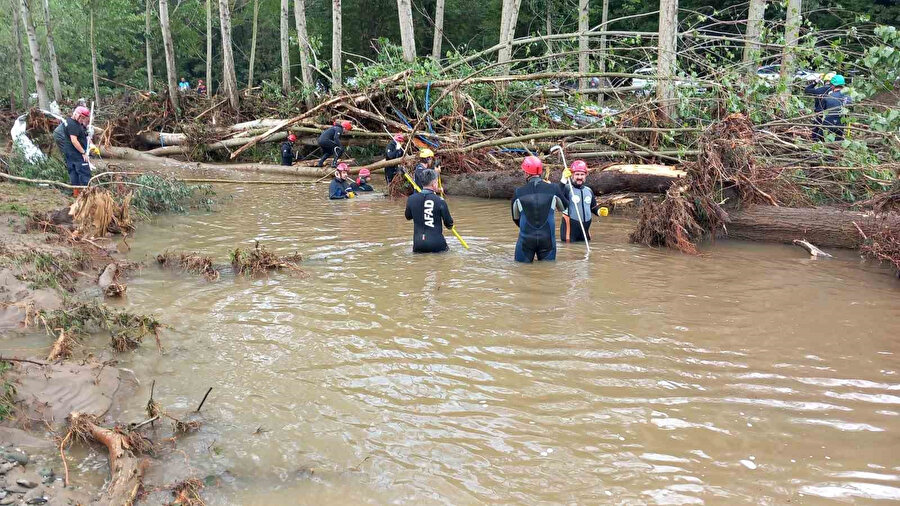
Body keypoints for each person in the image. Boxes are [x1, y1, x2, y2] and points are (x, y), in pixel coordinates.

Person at [511, 155, 568, 263]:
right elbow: (564, 207)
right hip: (547, 240)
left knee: (521, 273)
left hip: (526, 239)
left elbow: (515, 218)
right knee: (548, 274)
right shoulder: (554, 188)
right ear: (541, 171)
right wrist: (563, 182)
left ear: (526, 173)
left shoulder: (518, 192)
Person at [405, 169, 453, 253]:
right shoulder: (440, 201)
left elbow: (408, 217)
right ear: (434, 183)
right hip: (437, 244)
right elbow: (449, 224)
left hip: (418, 244)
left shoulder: (411, 199)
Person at [53, 106, 91, 196]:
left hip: (69, 152)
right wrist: (83, 152)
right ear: (76, 114)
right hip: (76, 153)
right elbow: (74, 140)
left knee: (73, 172)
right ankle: (86, 194)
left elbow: (79, 133)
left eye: (84, 118)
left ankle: (76, 194)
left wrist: (86, 133)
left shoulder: (70, 122)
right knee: (84, 172)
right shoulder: (73, 124)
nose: (82, 120)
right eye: (82, 117)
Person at [559, 160, 601, 242]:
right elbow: (557, 195)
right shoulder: (567, 188)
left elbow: (593, 208)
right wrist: (563, 180)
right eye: (577, 174)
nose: (579, 177)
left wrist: (599, 211)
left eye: (582, 174)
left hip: (585, 232)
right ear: (572, 175)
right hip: (569, 233)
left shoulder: (588, 191)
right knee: (571, 252)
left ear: (586, 175)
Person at [805, 74, 852, 141]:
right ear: (843, 85)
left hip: (827, 124)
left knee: (818, 141)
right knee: (837, 145)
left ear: (832, 86)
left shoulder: (827, 97)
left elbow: (821, 113)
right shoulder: (848, 98)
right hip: (840, 125)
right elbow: (849, 114)